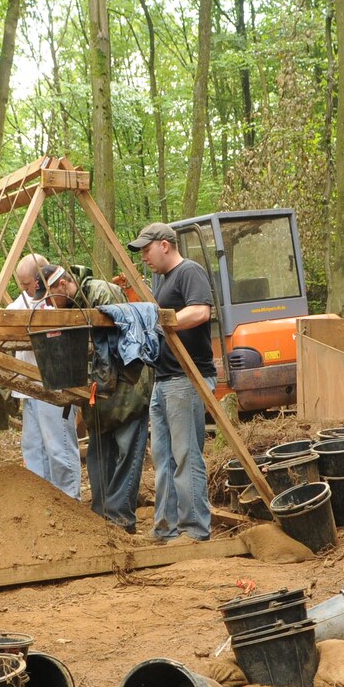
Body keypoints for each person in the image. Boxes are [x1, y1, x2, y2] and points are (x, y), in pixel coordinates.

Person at [50, 259, 154, 532]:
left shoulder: (99, 292)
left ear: (63, 284)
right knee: (99, 455)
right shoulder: (73, 303)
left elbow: (115, 348)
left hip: (125, 389)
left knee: (128, 454)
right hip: (99, 396)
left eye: (50, 295)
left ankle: (120, 519)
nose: (49, 303)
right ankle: (101, 518)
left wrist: (99, 385)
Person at [128, 221, 215, 542]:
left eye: (146, 250)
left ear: (165, 245)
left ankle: (195, 529)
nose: (144, 258)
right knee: (163, 458)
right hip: (164, 378)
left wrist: (167, 321)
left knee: (186, 455)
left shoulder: (189, 271)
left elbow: (201, 312)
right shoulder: (162, 281)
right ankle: (166, 528)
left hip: (187, 376)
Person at [10, 254, 81, 498]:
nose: (25, 289)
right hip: (29, 388)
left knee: (58, 450)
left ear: (40, 280)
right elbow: (6, 315)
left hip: (53, 387)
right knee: (33, 450)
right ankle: (42, 506)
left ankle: (69, 503)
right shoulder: (26, 299)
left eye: (28, 284)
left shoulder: (54, 301)